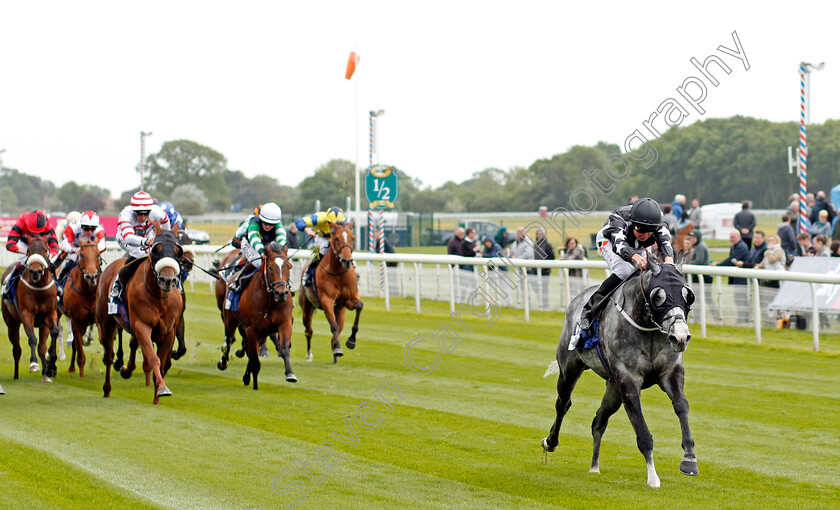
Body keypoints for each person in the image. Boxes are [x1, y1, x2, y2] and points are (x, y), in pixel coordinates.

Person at [575, 197, 675, 340]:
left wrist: (669, 263)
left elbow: (666, 246)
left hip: (637, 246)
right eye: (641, 231)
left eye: (649, 233)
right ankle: (589, 310)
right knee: (624, 271)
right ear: (633, 223)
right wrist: (637, 259)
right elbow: (620, 245)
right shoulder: (618, 218)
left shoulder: (660, 224)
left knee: (650, 273)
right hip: (609, 241)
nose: (645, 235)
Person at [108, 191, 172, 313]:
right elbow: (128, 237)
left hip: (146, 234)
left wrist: (164, 239)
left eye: (145, 214)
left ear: (150, 210)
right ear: (133, 211)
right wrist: (145, 241)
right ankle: (116, 288)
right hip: (126, 238)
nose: (142, 218)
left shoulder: (157, 212)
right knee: (139, 253)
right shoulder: (126, 216)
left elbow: (166, 226)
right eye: (139, 214)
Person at [225, 202, 287, 308]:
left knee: (279, 263)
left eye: (271, 224)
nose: (267, 226)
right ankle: (236, 282)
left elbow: (282, 237)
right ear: (261, 219)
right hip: (249, 243)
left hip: (267, 244)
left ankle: (286, 287)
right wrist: (262, 251)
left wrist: (278, 249)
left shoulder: (278, 224)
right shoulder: (254, 221)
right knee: (258, 262)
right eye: (265, 223)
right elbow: (254, 238)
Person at [2, 210, 60, 300]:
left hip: (41, 244)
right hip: (25, 244)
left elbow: (55, 246)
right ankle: (8, 285)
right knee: (23, 262)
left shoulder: (47, 224)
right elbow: (10, 244)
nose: (36, 234)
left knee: (49, 263)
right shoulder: (21, 222)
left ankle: (57, 286)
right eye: (32, 232)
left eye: (39, 232)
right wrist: (24, 252)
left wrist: (49, 255)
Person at [294, 206, 345, 287]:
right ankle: (308, 274)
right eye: (331, 223)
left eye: (337, 224)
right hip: (322, 238)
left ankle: (354, 273)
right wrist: (307, 230)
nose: (334, 226)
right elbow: (299, 222)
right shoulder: (319, 218)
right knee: (323, 251)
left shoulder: (343, 221)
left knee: (345, 251)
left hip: (335, 239)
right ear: (327, 220)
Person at [56, 210, 107, 289]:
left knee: (97, 266)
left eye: (92, 228)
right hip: (75, 249)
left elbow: (102, 245)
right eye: (86, 228)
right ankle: (59, 283)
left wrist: (91, 251)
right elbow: (64, 244)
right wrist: (75, 250)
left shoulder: (99, 230)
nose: (89, 232)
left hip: (90, 251)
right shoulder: (72, 228)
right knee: (69, 264)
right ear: (81, 225)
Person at [712, 229, 750, 323]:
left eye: (733, 237)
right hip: (737, 277)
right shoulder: (736, 246)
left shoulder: (741, 246)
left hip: (742, 278)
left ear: (739, 237)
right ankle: (742, 319)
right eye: (730, 237)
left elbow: (731, 260)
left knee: (740, 299)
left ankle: (742, 320)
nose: (731, 239)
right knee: (738, 299)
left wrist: (719, 265)